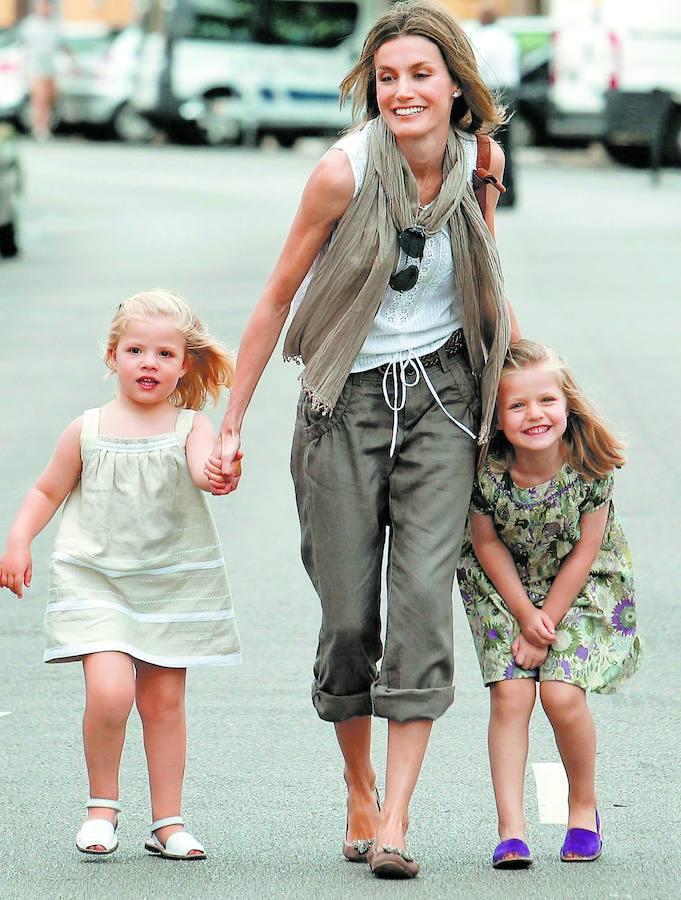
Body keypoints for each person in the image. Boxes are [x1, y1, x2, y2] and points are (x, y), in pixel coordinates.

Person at [205, 0, 519, 879]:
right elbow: (275, 299)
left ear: (456, 84)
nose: (403, 91)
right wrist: (229, 421)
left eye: (421, 74)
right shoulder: (341, 174)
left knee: (421, 605)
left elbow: (486, 280)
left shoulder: (480, 160)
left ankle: (398, 822)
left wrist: (522, 394)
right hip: (340, 404)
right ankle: (359, 787)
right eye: (387, 77)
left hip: (445, 402)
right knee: (349, 619)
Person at [0, 290, 241, 860]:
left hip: (169, 580)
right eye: (135, 350)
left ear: (185, 363)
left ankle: (168, 822)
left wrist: (222, 468)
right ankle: (101, 808)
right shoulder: (86, 429)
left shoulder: (190, 426)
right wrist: (18, 539)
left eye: (163, 353)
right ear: (113, 356)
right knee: (110, 693)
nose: (148, 363)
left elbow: (205, 471)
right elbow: (46, 490)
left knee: (163, 703)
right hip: (95, 577)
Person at [457, 339, 642, 869]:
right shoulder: (486, 470)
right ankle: (510, 830)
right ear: (497, 416)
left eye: (546, 402)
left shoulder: (589, 465)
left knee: (561, 697)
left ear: (568, 404)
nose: (534, 414)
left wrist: (547, 622)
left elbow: (588, 550)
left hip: (580, 587)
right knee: (511, 698)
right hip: (503, 586)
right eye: (517, 406)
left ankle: (582, 808)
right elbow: (486, 543)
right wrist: (523, 615)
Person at [469, 4, 520, 207]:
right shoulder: (507, 38)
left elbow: (479, 70)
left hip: (492, 92)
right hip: (511, 91)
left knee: (491, 146)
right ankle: (511, 194)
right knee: (508, 146)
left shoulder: (481, 40)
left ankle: (496, 193)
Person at [17, 0, 70, 141]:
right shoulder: (30, 25)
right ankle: (39, 128)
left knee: (50, 99)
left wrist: (71, 61)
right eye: (43, 5)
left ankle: (43, 126)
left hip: (50, 68)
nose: (46, 8)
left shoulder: (54, 26)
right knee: (40, 99)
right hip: (35, 68)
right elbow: (22, 47)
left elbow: (63, 45)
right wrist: (24, 70)